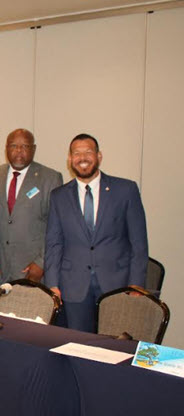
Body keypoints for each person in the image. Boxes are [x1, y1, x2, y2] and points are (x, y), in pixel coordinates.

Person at [45, 133, 148, 332]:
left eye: (88, 152)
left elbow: (139, 242)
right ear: (70, 159)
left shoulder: (126, 190)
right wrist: (52, 284)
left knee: (115, 342)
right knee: (78, 343)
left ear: (99, 156)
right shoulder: (58, 196)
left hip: (117, 284)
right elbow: (53, 243)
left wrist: (136, 284)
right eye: (77, 153)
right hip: (73, 285)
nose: (82, 158)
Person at [0, 129, 63, 286]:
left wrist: (42, 263)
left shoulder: (50, 178)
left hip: (31, 270)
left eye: (25, 146)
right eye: (14, 146)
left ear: (33, 149)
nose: (19, 151)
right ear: (6, 149)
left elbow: (56, 227)